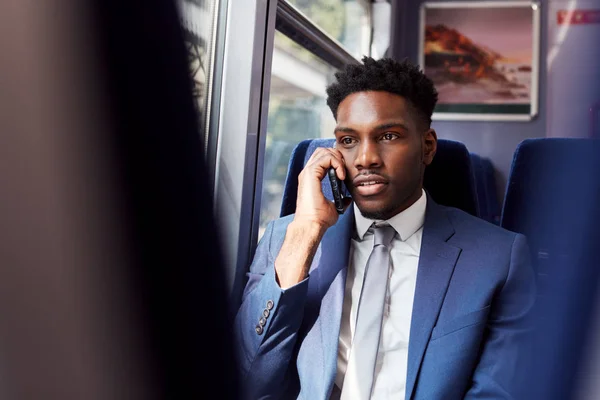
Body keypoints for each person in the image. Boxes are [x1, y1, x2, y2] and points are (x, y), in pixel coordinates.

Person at [233, 57, 535, 399]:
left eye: (388, 136)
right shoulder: (286, 241)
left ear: (428, 147)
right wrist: (305, 235)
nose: (365, 158)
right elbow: (247, 380)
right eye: (348, 141)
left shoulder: (500, 258)